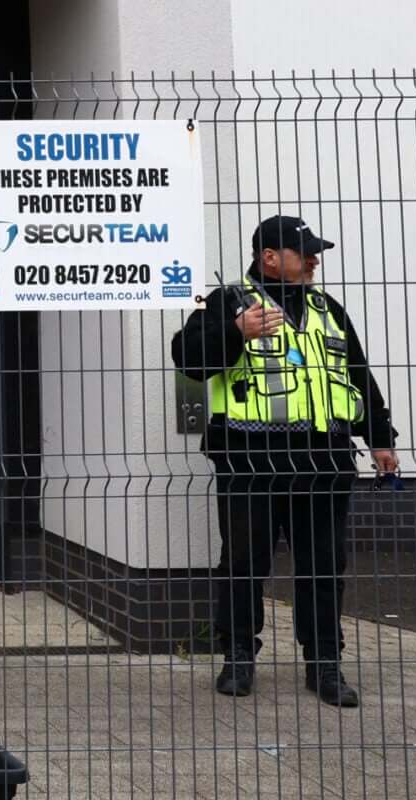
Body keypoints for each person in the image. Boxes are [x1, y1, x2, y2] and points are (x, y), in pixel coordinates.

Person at [170, 215, 400, 706]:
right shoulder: (229, 302)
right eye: (305, 252)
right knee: (242, 563)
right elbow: (188, 358)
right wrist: (236, 332)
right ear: (269, 258)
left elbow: (358, 375)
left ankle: (324, 664)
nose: (315, 259)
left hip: (323, 458)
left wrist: (381, 438)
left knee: (322, 565)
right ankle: (238, 657)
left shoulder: (326, 309)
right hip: (250, 457)